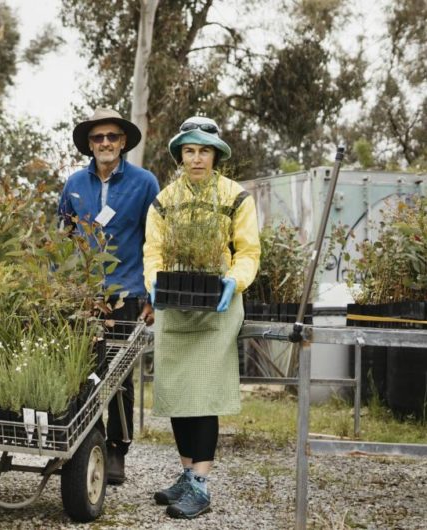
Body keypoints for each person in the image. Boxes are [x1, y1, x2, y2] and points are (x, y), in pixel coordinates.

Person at [143, 116, 260, 519]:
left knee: (203, 392)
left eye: (204, 150)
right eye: (189, 151)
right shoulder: (165, 200)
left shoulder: (235, 196)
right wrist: (152, 283)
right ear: (180, 155)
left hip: (216, 308)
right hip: (175, 307)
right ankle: (186, 473)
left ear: (216, 155)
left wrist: (234, 281)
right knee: (177, 393)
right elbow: (153, 251)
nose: (196, 158)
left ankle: (201, 485)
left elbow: (248, 251)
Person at [58, 108, 159, 486]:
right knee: (81, 373)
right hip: (82, 297)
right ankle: (89, 441)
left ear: (123, 142)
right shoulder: (73, 184)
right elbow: (62, 240)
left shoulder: (145, 183)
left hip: (127, 293)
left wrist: (151, 295)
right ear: (89, 143)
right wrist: (60, 291)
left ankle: (117, 448)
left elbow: (156, 242)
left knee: (118, 378)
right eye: (98, 138)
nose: (105, 143)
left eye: (112, 137)